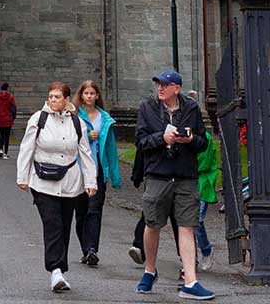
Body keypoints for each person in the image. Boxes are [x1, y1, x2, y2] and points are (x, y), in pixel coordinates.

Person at [134, 68, 213, 300]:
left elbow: (202, 143)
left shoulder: (191, 108)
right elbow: (140, 141)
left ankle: (191, 280)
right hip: (157, 175)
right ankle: (149, 270)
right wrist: (162, 138)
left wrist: (189, 139)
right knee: (153, 224)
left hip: (185, 176)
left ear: (176, 89)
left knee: (187, 225)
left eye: (165, 85)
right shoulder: (147, 107)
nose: (160, 88)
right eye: (158, 84)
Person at [16, 81, 97, 294]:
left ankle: (60, 269)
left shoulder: (77, 123)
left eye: (57, 97)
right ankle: (56, 271)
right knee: (52, 224)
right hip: (42, 182)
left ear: (67, 100)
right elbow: (26, 148)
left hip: (70, 182)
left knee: (64, 224)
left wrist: (90, 182)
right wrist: (22, 176)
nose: (53, 100)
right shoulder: (38, 119)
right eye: (50, 96)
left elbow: (85, 153)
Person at [74, 79, 121, 267]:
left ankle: (92, 249)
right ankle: (85, 249)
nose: (89, 96)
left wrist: (115, 177)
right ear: (81, 95)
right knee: (81, 212)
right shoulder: (74, 116)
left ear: (97, 96)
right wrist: (86, 136)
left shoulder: (105, 118)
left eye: (92, 93)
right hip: (79, 170)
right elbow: (68, 139)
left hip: (99, 169)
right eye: (86, 93)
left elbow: (111, 149)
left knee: (95, 210)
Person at [194, 125, 220, 265]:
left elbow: (203, 163)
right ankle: (192, 256)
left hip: (202, 183)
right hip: (190, 182)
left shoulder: (206, 137)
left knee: (197, 221)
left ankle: (206, 250)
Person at [0, 83, 18, 160]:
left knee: (2, 135)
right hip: (8, 119)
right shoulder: (10, 97)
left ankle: (0, 150)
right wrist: (13, 117)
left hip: (0, 119)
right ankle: (5, 154)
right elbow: (14, 108)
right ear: (7, 88)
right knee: (7, 136)